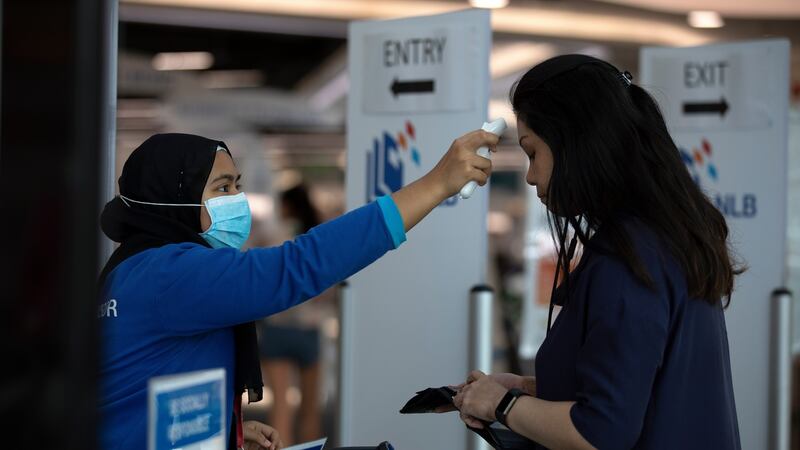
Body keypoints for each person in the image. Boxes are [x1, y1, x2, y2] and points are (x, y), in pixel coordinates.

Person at [97, 131, 497, 450]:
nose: (236, 201)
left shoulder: (137, 270)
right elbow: (298, 266)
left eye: (237, 185)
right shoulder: (169, 272)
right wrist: (435, 184)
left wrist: (226, 432)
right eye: (221, 189)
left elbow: (148, 387)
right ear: (174, 202)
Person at [447, 54, 743, 449]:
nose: (532, 176)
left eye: (534, 153)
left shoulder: (628, 260)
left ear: (575, 141)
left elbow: (600, 432)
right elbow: (635, 390)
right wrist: (526, 389)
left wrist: (502, 406)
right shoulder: (660, 239)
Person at [258, 184, 326, 445]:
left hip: (277, 328)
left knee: (281, 410)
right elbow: (327, 291)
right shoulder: (317, 237)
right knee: (310, 409)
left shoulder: (272, 235)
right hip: (309, 329)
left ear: (286, 206)